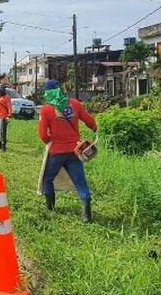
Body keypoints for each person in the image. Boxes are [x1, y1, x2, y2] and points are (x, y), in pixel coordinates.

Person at [38, 80, 97, 222]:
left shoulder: (46, 109)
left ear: (48, 93)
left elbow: (42, 134)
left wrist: (49, 142)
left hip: (56, 152)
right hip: (75, 151)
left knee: (47, 179)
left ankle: (51, 209)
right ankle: (87, 216)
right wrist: (95, 129)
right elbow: (90, 121)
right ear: (60, 90)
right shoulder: (75, 103)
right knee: (81, 183)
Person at [0, 85, 12, 151]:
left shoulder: (7, 97)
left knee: (2, 131)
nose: (0, 93)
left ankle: (4, 145)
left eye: (1, 92)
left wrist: (9, 114)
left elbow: (9, 106)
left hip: (3, 116)